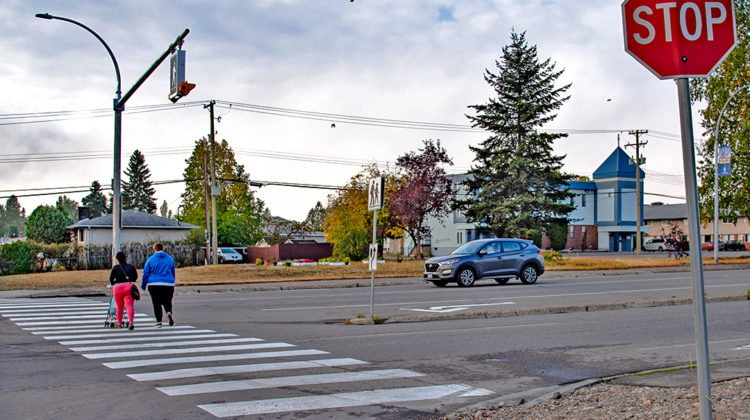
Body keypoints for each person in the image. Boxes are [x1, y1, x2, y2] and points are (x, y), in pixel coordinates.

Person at [141, 242, 176, 327]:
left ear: (154, 249)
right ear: (163, 248)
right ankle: (168, 312)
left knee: (156, 303)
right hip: (168, 283)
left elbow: (146, 273)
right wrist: (172, 281)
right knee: (167, 300)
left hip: (154, 284)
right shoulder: (170, 259)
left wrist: (143, 284)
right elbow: (173, 271)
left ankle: (159, 321)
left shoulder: (150, 259)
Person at [109, 251, 138, 330]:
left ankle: (119, 322)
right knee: (129, 305)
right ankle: (131, 322)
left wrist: (114, 283)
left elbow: (111, 279)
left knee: (119, 306)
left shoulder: (116, 267)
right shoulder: (131, 267)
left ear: (117, 259)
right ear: (125, 258)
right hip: (129, 287)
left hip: (118, 288)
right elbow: (135, 276)